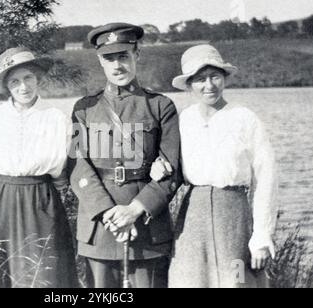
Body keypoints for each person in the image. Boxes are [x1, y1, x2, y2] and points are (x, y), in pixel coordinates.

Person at [150, 44, 278, 288]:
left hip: (234, 219)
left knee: (237, 280)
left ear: (224, 79)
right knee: (189, 281)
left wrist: (262, 235)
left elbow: (266, 178)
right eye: (200, 79)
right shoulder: (184, 120)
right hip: (192, 219)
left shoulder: (244, 118)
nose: (209, 85)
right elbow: (168, 161)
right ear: (189, 85)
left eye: (215, 77)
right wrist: (158, 165)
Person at [69, 23, 183, 288]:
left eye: (123, 56)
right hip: (100, 227)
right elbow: (77, 167)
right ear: (100, 61)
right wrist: (109, 214)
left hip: (146, 226)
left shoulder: (160, 106)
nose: (117, 65)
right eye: (109, 58)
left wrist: (134, 210)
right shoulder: (83, 109)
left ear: (137, 55)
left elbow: (172, 169)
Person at [0, 47, 78, 288]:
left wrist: (50, 195)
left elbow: (62, 175)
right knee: (1, 273)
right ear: (7, 86)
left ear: (38, 78)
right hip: (0, 203)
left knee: (44, 274)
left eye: (28, 78)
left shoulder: (56, 118)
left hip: (42, 201)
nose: (23, 87)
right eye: (15, 81)